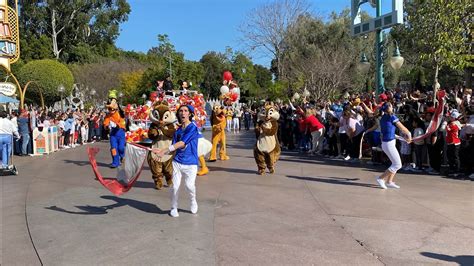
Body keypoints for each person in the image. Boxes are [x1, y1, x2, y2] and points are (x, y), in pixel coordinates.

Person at [154, 105, 200, 217]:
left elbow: (182, 143)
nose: (183, 113)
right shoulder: (178, 131)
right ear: (178, 114)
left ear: (190, 114)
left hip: (191, 163)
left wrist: (164, 150)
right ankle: (174, 207)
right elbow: (173, 148)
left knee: (189, 186)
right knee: (175, 186)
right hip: (177, 162)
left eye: (185, 111)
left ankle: (193, 201)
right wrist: (160, 151)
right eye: (181, 111)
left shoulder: (193, 127)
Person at [376, 102, 411, 189]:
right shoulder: (392, 117)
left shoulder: (383, 118)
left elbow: (389, 132)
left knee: (394, 163)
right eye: (391, 106)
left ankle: (389, 181)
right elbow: (403, 128)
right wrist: (409, 135)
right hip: (389, 144)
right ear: (390, 108)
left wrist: (401, 138)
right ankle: (381, 178)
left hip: (388, 143)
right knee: (398, 165)